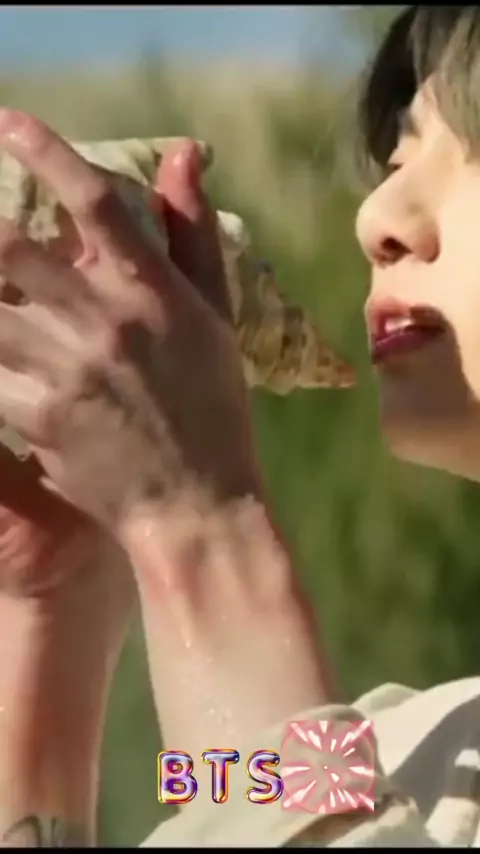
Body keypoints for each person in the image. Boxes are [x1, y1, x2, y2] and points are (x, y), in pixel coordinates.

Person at [1, 4, 480, 847]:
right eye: (400, 160)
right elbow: (222, 808)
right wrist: (55, 607)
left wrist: (199, 527)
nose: (376, 215)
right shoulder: (395, 741)